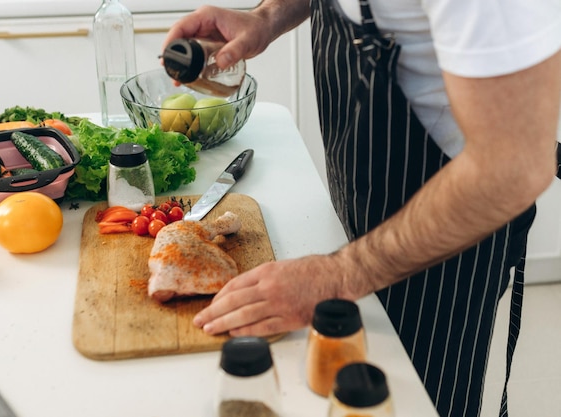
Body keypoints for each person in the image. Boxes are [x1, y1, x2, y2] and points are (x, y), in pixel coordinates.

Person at [162, 1, 561, 416]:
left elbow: (514, 168)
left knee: (408, 401)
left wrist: (338, 274)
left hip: (447, 248)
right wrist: (267, 16)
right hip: (361, 207)